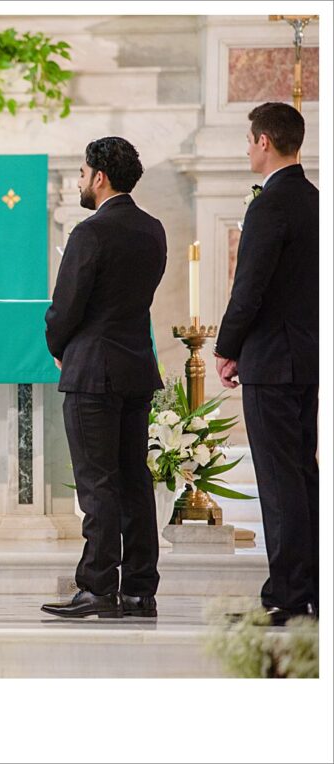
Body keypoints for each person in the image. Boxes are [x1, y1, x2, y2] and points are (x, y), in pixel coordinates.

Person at [40, 137, 167, 619]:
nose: (77, 181)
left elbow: (65, 308)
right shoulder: (153, 230)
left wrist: (59, 348)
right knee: (135, 480)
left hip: (92, 371)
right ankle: (139, 587)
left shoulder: (89, 233)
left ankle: (97, 586)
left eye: (80, 172)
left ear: (99, 177)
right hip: (136, 366)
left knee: (97, 484)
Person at [215, 102, 319, 627]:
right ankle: (312, 586)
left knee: (279, 481)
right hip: (306, 358)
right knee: (302, 473)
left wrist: (226, 346)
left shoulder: (271, 204)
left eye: (249, 139)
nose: (247, 147)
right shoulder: (314, 200)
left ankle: (285, 593)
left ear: (264, 142)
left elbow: (249, 285)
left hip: (272, 360)